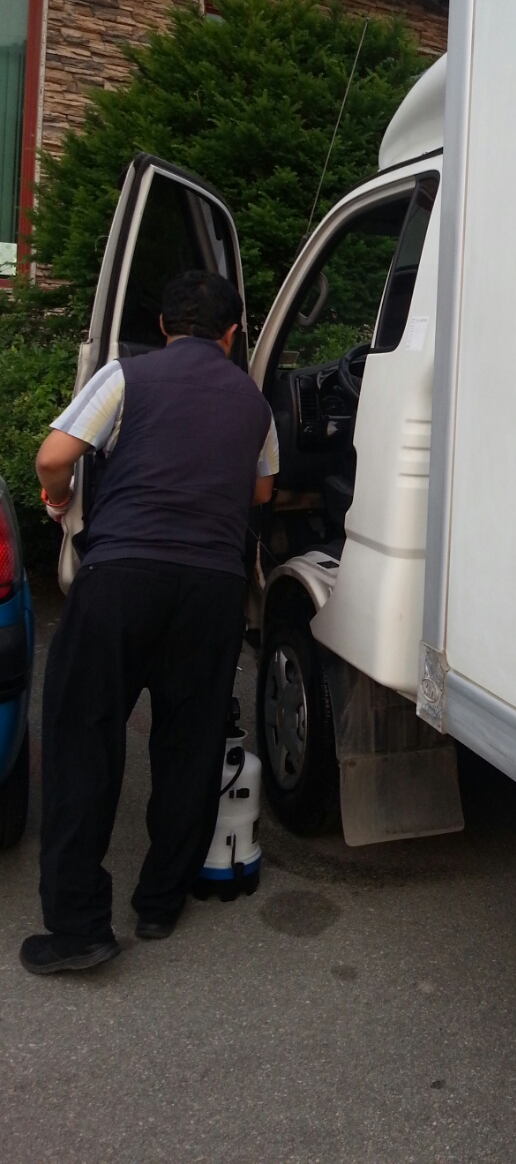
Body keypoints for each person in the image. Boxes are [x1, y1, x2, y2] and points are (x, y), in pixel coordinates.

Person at [20, 270, 278, 975]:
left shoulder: (126, 377)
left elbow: (53, 456)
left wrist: (58, 501)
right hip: (213, 589)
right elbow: (261, 489)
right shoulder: (253, 402)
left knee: (83, 734)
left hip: (122, 578)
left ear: (163, 327)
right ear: (231, 335)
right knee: (190, 742)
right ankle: (161, 902)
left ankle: (79, 928)